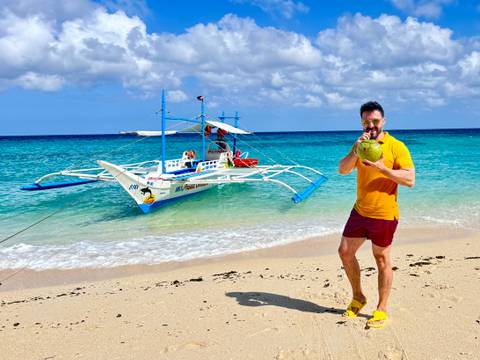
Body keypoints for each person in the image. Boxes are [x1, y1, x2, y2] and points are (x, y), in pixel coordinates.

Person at [338, 101, 415, 329]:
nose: (370, 125)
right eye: (365, 122)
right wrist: (355, 149)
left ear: (384, 121)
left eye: (375, 121)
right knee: (344, 252)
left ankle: (381, 309)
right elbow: (342, 170)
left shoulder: (396, 146)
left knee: (381, 259)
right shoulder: (360, 145)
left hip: (384, 213)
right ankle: (358, 297)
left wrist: (383, 168)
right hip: (360, 210)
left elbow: (410, 179)